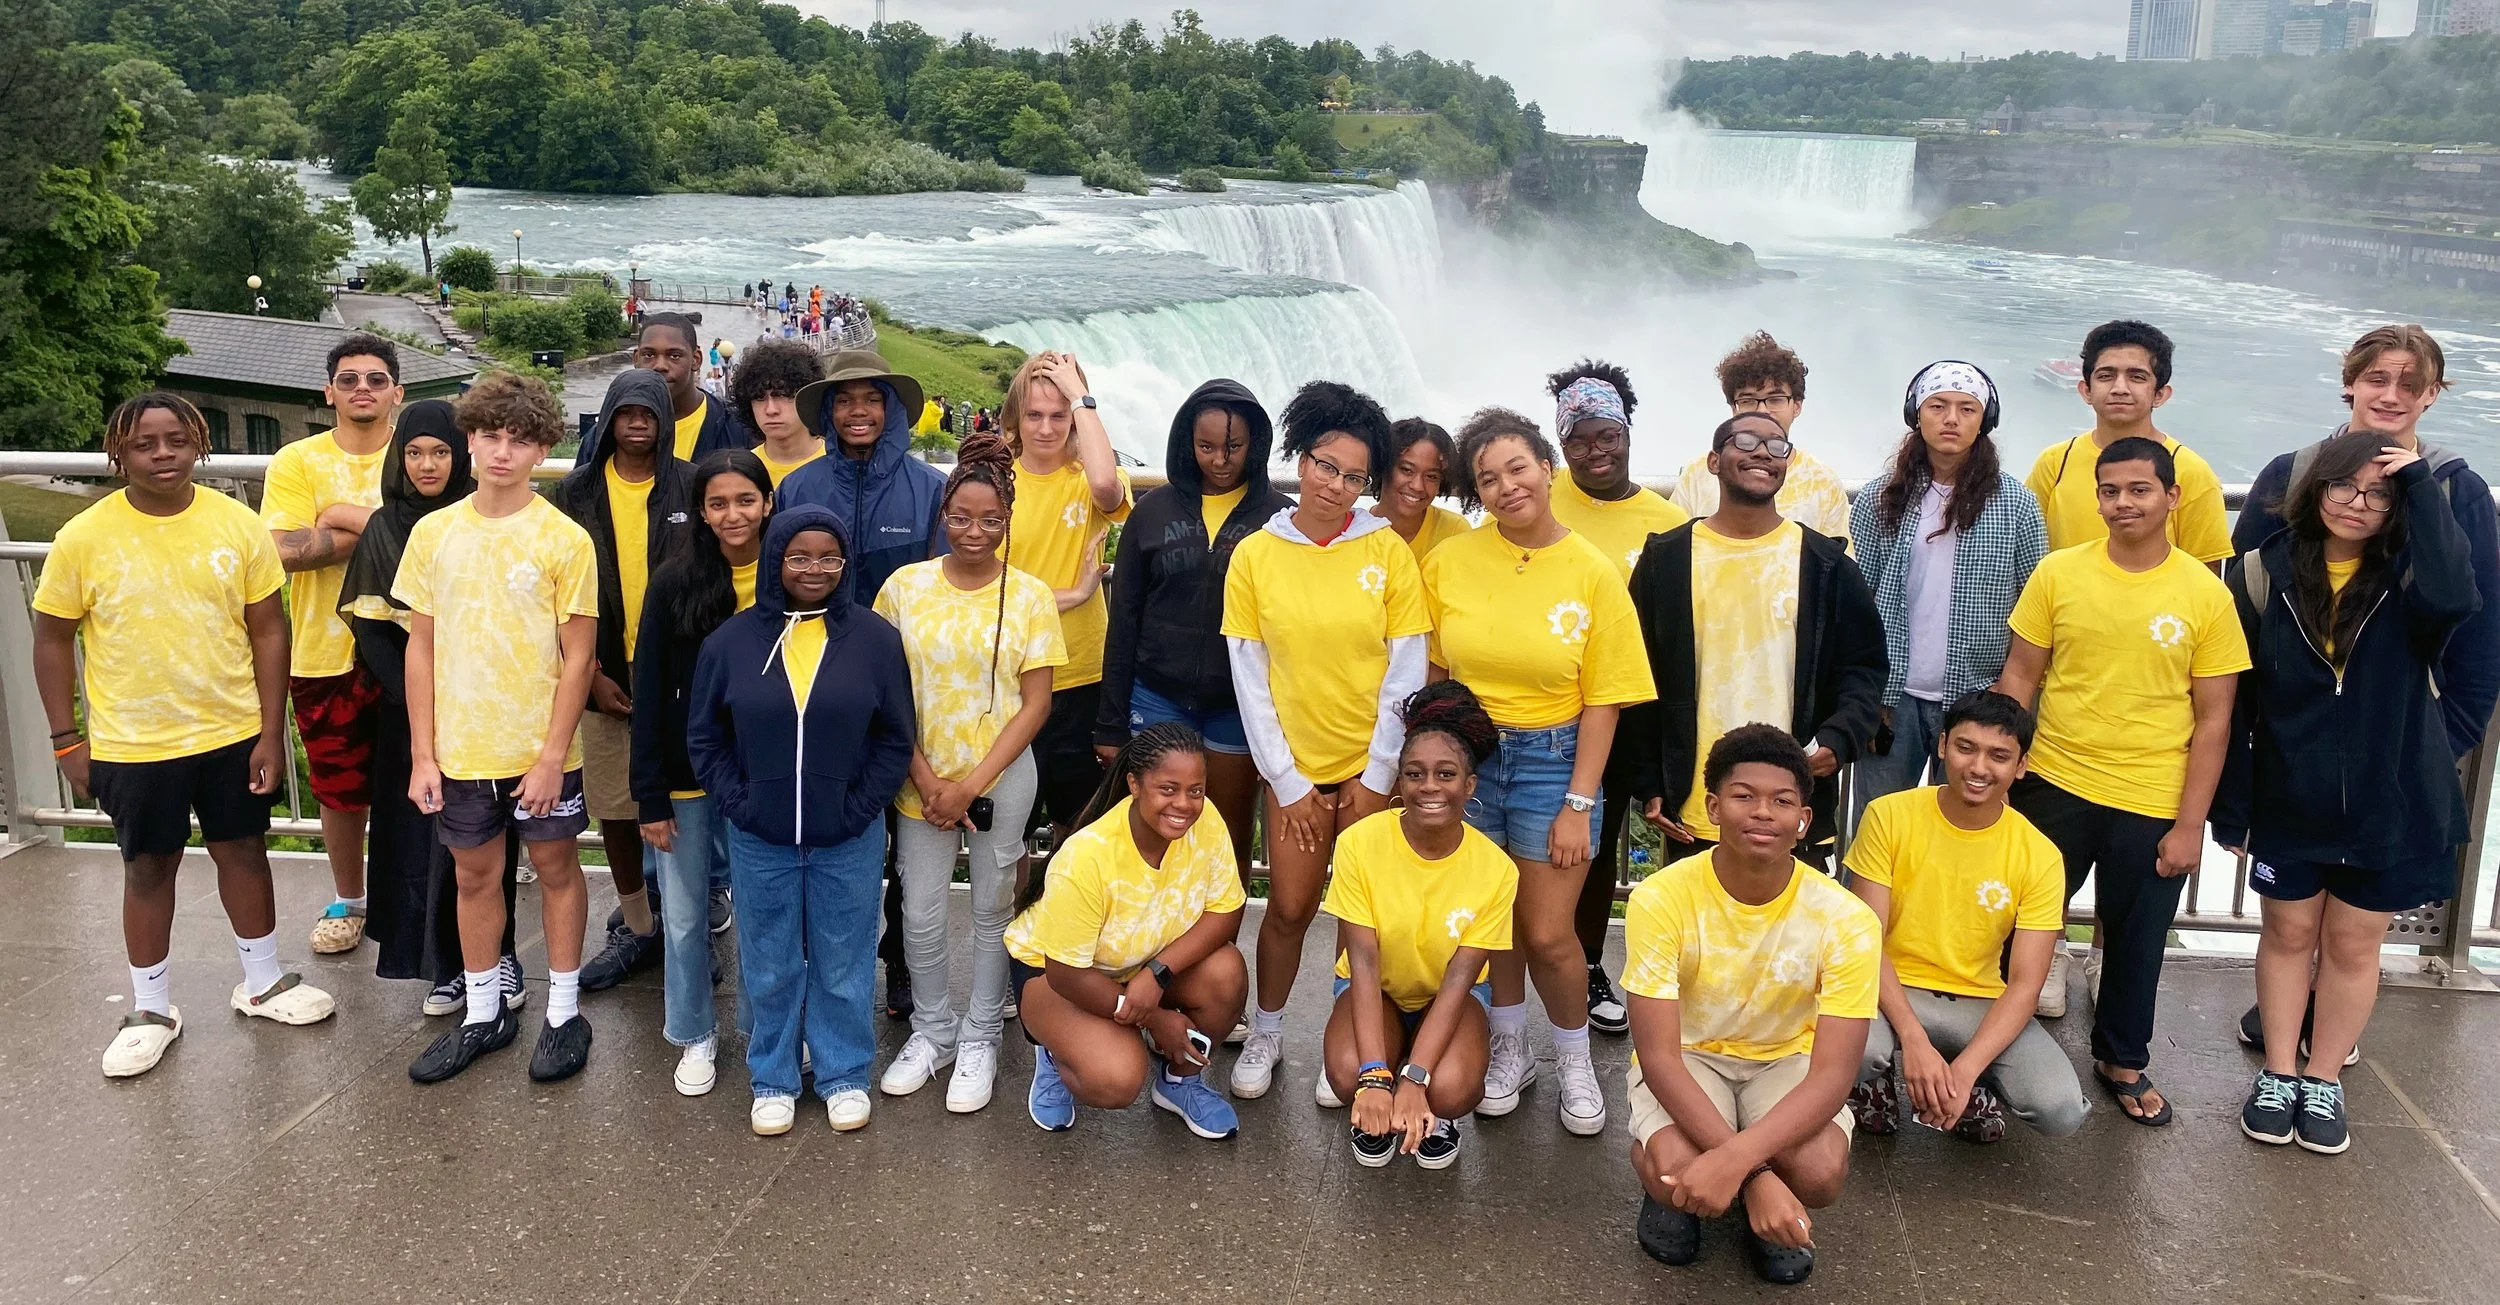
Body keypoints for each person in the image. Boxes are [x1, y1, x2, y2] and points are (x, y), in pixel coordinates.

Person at [35, 393, 336, 1078]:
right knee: (147, 867)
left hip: (230, 730)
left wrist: (270, 731)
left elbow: (268, 627)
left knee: (244, 851)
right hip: (134, 742)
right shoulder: (84, 537)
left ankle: (262, 982)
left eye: (176, 439)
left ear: (198, 443)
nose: (162, 453)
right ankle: (150, 1007)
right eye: (145, 443)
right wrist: (65, 739)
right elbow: (51, 639)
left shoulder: (237, 525)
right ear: (120, 453)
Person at [2226, 325, 2500, 1059]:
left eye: (2412, 384)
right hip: (2296, 752)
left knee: (2353, 928)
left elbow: (2479, 630)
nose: (2391, 394)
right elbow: (2244, 609)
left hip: (2397, 746)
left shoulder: (2455, 487)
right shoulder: (2291, 474)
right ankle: (2294, 1028)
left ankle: (2320, 1038)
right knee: (2291, 923)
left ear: (2433, 395)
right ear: (2350, 381)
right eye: (2377, 377)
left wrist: (2443, 743)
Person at [2216, 431, 2477, 1155]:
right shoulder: (2260, 575)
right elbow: (2234, 700)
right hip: (2290, 793)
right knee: (2289, 934)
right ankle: (2278, 1072)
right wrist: (2233, 805)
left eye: (2378, 492)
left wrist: (2421, 482)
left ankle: (2323, 1077)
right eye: (2344, 487)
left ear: (2397, 506)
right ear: (2316, 489)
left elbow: (2460, 593)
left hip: (2388, 798)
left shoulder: (2413, 579)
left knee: (2355, 943)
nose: (2358, 503)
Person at [1995, 436, 2249, 1127]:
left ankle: (2122, 1058)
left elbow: (2215, 719)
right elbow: (2021, 673)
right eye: (2110, 490)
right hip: (2054, 778)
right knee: (2016, 923)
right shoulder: (2057, 573)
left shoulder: (2205, 594)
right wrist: (2001, 761)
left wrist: (2191, 823)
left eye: (2139, 489)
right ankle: (1995, 1045)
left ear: (2172, 497)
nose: (2123, 503)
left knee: (2137, 938)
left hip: (2152, 794)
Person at [1421, 405, 1655, 1136]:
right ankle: (1511, 1048)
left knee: (1551, 931)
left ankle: (1574, 1056)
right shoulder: (1450, 560)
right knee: (1495, 921)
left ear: (1546, 469)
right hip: (1469, 759)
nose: (1505, 486)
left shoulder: (1591, 571)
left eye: (1517, 467)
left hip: (1554, 759)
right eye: (1487, 478)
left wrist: (1580, 803)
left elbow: (1606, 698)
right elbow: (1433, 669)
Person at [1223, 382, 1430, 1102]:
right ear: (1300, 458)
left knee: (1359, 915)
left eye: (1353, 476)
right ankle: (1268, 1030)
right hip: (1297, 773)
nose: (1335, 485)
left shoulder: (1387, 550)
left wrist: (1377, 776)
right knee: (1288, 906)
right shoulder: (1256, 553)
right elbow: (1250, 674)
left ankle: (1348, 1049)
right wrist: (1287, 781)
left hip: (1370, 770)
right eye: (1323, 465)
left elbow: (1406, 668)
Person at [396, 372, 602, 1085]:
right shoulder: (433, 532)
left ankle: (564, 1010)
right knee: (474, 874)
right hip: (460, 747)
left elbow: (580, 656)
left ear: (544, 446)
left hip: (539, 748)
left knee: (554, 868)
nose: (504, 451)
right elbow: (418, 647)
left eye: (520, 438)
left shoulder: (564, 539)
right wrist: (423, 753)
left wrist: (552, 756)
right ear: (471, 439)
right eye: (491, 435)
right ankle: (483, 1011)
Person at [1622, 726, 1879, 1287]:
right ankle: (1684, 1195)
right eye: (1743, 796)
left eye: (1783, 801)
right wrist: (1758, 1175)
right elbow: (1660, 1057)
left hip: (1787, 1058)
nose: (1763, 812)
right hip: (1690, 1057)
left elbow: (1834, 1072)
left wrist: (1736, 1162)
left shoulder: (1847, 918)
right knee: (1672, 1173)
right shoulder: (1659, 899)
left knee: (1820, 1173)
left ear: (1804, 821)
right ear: (1714, 808)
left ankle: (1740, 1188)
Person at [688, 506, 917, 1135]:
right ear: (775, 559)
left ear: (845, 564)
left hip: (847, 836)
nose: (814, 569)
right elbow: (706, 740)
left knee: (844, 959)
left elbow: (895, 739)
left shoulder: (874, 640)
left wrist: (857, 806)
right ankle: (775, 1077)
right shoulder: (731, 642)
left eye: (828, 557)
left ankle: (843, 1073)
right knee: (769, 960)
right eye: (799, 556)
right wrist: (744, 803)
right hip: (761, 837)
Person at [874, 435, 1067, 1114]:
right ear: (942, 515)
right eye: (960, 517)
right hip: (916, 780)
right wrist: (928, 780)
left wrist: (971, 783)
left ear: (1007, 520)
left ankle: (982, 1032)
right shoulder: (903, 588)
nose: (974, 531)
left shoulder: (1033, 597)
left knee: (991, 906)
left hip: (1003, 777)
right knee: (919, 908)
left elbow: (1037, 700)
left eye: (990, 520)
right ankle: (933, 1030)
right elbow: (885, 692)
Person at [1624, 412, 1887, 870]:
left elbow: (1862, 667)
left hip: (1790, 800)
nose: (1764, 452)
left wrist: (1838, 737)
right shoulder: (1665, 560)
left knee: (1791, 937)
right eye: (1745, 442)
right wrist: (1649, 782)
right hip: (1696, 803)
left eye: (1777, 446)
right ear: (1713, 461)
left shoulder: (1825, 564)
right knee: (1698, 934)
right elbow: (1635, 671)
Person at [336, 401, 526, 1020]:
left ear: (461, 454)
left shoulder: (485, 520)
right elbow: (373, 632)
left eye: (440, 451)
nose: (427, 464)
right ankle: (443, 968)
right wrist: (422, 705)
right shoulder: (386, 529)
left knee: (488, 843)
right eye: (414, 452)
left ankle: (499, 956)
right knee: (421, 843)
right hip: (412, 715)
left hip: (488, 709)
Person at [777, 349, 949, 1020]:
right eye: (844, 401)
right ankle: (816, 961)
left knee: (905, 834)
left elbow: (941, 593)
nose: (857, 412)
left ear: (892, 408)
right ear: (828, 411)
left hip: (905, 687)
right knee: (830, 827)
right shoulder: (799, 487)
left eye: (871, 399)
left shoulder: (926, 488)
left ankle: (902, 958)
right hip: (815, 685)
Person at [1844, 691, 2087, 1144]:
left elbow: (2026, 984)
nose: (1978, 768)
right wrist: (1914, 1042)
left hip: (1977, 999)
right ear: (1941, 746)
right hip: (1886, 987)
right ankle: (1873, 1084)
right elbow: (1865, 942)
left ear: (2021, 766)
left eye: (1999, 756)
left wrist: (1966, 1069)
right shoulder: (1889, 816)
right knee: (1850, 1053)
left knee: (2060, 1109)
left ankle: (1969, 1088)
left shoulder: (2040, 855)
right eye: (1965, 747)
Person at [1006, 724, 1249, 1138]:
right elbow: (1066, 973)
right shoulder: (1088, 855)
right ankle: (1055, 1051)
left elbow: (1226, 912)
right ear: (1134, 784)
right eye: (1168, 788)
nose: (1185, 804)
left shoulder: (1205, 820)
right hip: (1057, 975)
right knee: (1116, 1079)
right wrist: (1154, 1019)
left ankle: (1179, 1082)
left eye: (1195, 790)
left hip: (1140, 961)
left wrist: (1158, 973)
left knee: (1227, 972)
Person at [1542, 361, 1690, 1041]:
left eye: (1609, 436)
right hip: (1547, 706)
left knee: (1601, 846)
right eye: (1580, 441)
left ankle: (1590, 962)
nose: (1597, 451)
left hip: (1629, 709)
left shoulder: (1667, 520)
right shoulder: (1543, 502)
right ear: (1560, 444)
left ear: (1628, 432)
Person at [1096, 379, 1286, 884]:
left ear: (1256, 444)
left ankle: (1217, 948)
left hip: (1239, 707)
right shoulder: (1152, 512)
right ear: (1186, 442)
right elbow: (1125, 622)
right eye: (1206, 447)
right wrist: (1111, 724)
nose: (1220, 459)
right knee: (1153, 832)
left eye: (1234, 446)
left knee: (1228, 835)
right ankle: (1153, 951)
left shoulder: (1278, 520)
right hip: (1156, 696)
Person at [1322, 682, 1516, 1169]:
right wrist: (1372, 1076)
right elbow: (1363, 962)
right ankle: (1379, 1077)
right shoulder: (1359, 844)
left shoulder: (1496, 869)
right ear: (1399, 783)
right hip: (1377, 989)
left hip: (1450, 998)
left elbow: (1459, 979)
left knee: (1448, 1089)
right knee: (1346, 1074)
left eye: (1445, 774)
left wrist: (1415, 1080)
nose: (1429, 786)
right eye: (1415, 774)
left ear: (1469, 786)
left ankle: (1426, 1105)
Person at [631, 450, 775, 1096]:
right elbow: (652, 688)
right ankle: (693, 1031)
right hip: (687, 773)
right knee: (687, 914)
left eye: (746, 499)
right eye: (718, 503)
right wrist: (649, 793)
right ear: (701, 510)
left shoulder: (791, 573)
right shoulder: (675, 581)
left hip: (765, 776)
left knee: (764, 910)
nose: (733, 514)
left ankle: (762, 1026)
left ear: (768, 501)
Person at [1845, 362, 2047, 821]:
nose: (1951, 418)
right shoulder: (1882, 496)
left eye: (1966, 408)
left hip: (1978, 700)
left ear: (1984, 420)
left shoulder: (2016, 505)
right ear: (1917, 415)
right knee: (1875, 825)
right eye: (1938, 406)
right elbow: (1859, 600)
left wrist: (2010, 695)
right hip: (1890, 699)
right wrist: (1863, 690)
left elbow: (2036, 609)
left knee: (1963, 830)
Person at [262, 332, 401, 957]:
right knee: (338, 785)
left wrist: (339, 517)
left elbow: (436, 539)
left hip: (415, 646)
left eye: (375, 378)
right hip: (325, 649)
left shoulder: (422, 450)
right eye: (349, 379)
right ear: (329, 392)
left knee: (429, 778)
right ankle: (351, 897)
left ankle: (422, 893)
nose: (362, 389)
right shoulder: (298, 461)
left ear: (397, 391)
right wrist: (382, 529)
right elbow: (284, 553)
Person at [557, 370, 690, 992]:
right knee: (614, 803)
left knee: (686, 801)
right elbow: (552, 595)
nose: (637, 423)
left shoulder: (690, 485)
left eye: (649, 413)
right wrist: (590, 678)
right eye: (625, 411)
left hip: (683, 670)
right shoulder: (573, 493)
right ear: (608, 417)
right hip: (602, 666)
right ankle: (638, 927)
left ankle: (687, 926)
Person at [999, 352, 1132, 857]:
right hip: (1011, 673)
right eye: (1034, 415)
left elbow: (1105, 486)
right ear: (1015, 419)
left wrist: (1081, 397)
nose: (1048, 428)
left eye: (1060, 416)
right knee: (1008, 831)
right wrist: (1074, 595)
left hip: (1080, 672)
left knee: (1077, 825)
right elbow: (990, 592)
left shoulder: (1084, 478)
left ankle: (1064, 928)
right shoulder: (998, 483)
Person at [2027, 319, 2233, 567]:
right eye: (2106, 376)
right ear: (2086, 390)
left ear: (2160, 394)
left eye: (2137, 377)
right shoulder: (2055, 463)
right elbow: (2028, 556)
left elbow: (2206, 580)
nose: (2119, 388)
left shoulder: (2190, 472)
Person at [1671, 332, 1850, 538]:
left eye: (1775, 399)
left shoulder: (1822, 482)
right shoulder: (1698, 473)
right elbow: (1677, 545)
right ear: (1734, 408)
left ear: (1797, 406)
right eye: (1748, 400)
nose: (1763, 411)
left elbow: (1837, 561)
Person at [579, 313, 747, 464]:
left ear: (696, 360)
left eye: (674, 356)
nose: (660, 366)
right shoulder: (605, 434)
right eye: (649, 355)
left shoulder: (736, 429)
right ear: (636, 359)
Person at [1369, 417, 1472, 560]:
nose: (1418, 486)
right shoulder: (1355, 532)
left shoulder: (1454, 531)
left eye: (1431, 476)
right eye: (1406, 470)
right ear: (1383, 466)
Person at [732, 339, 827, 487]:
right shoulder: (739, 473)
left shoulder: (840, 466)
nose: (771, 410)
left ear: (808, 398)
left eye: (783, 395)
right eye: (759, 398)